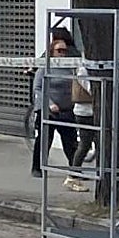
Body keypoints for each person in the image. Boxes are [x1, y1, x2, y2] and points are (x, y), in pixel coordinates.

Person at [31, 36, 77, 178]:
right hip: (48, 110)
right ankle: (37, 167)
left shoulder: (69, 67)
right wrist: (50, 104)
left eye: (64, 51)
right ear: (52, 52)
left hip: (66, 110)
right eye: (59, 51)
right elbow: (37, 88)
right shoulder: (45, 66)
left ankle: (74, 169)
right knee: (44, 140)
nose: (62, 54)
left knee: (70, 141)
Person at [66, 60, 95, 192]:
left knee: (96, 143)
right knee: (84, 144)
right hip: (84, 112)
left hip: (93, 111)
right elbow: (91, 89)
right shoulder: (82, 70)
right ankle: (72, 176)